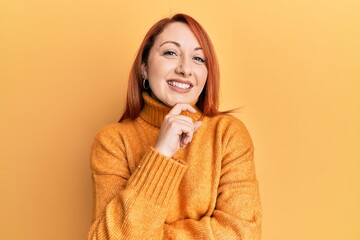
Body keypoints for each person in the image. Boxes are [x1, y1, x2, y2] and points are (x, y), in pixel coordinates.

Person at [88, 13, 262, 239]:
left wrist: (154, 234)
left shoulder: (227, 134)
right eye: (171, 53)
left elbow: (243, 233)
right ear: (144, 67)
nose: (185, 69)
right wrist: (161, 154)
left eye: (198, 59)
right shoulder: (112, 141)